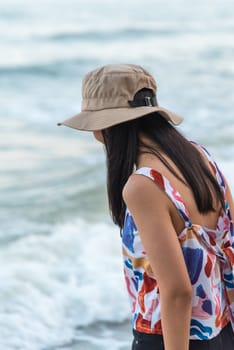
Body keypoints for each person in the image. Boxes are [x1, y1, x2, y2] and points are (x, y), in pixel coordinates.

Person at [58, 64, 234, 350]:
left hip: (170, 338)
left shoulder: (144, 185)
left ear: (107, 126)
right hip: (222, 330)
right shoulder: (201, 157)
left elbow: (177, 291)